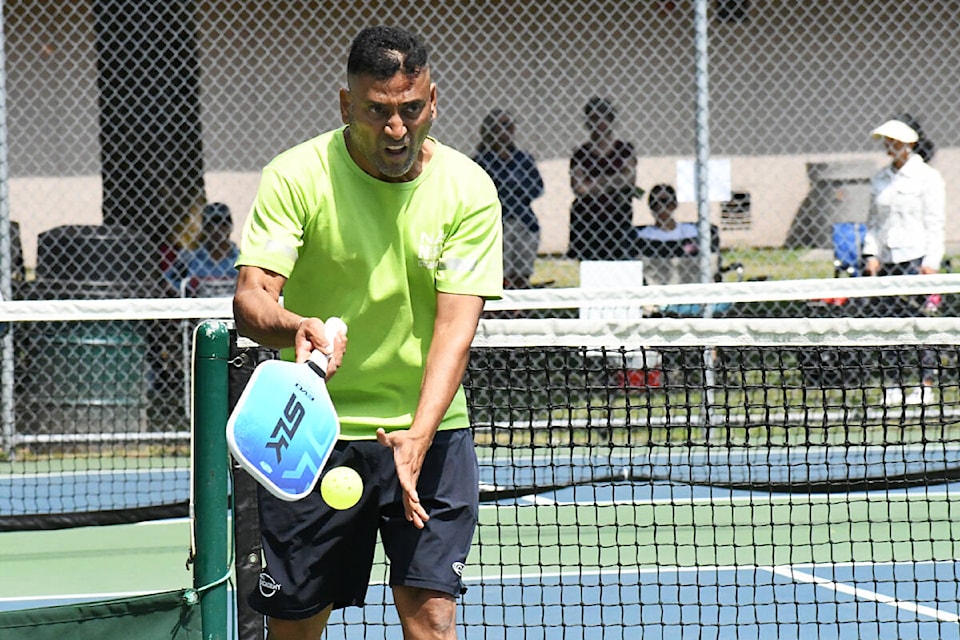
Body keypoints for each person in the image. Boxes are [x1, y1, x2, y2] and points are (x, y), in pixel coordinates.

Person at [232, 26, 502, 640]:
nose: (397, 129)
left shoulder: (468, 190)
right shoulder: (297, 176)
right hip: (307, 434)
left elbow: (454, 331)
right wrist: (292, 324)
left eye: (411, 110)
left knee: (432, 618)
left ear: (433, 101)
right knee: (296, 627)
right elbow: (251, 299)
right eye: (379, 111)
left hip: (429, 433)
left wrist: (418, 435)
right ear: (347, 105)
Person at [862, 115, 945, 406]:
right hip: (888, 262)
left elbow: (935, 223)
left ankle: (925, 384)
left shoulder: (928, 177)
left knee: (921, 323)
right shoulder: (880, 179)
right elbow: (873, 222)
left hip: (917, 260)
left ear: (909, 144)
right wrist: (871, 254)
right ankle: (894, 383)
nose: (889, 146)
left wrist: (931, 261)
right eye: (887, 142)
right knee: (889, 324)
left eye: (895, 141)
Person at [473, 109, 544, 289]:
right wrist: (513, 186)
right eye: (502, 126)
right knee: (501, 270)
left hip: (524, 220)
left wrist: (509, 186)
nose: (507, 130)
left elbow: (537, 188)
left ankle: (520, 305)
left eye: (510, 125)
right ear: (491, 130)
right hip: (497, 220)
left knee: (522, 269)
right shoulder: (482, 161)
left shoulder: (523, 159)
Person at [567, 96, 640, 261]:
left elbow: (629, 180)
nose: (599, 123)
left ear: (611, 119)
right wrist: (613, 181)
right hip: (587, 217)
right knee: (589, 266)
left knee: (620, 262)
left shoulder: (624, 149)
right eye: (594, 118)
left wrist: (595, 182)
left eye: (604, 117)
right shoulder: (580, 153)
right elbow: (579, 188)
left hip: (618, 214)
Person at [634, 184, 719, 286]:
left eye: (665, 202)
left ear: (674, 205)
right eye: (654, 203)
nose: (660, 207)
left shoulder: (692, 231)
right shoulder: (643, 235)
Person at [164, 202, 239, 296]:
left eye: (222, 224)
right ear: (204, 228)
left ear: (230, 226)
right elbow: (169, 282)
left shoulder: (240, 258)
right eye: (210, 225)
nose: (216, 229)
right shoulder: (190, 258)